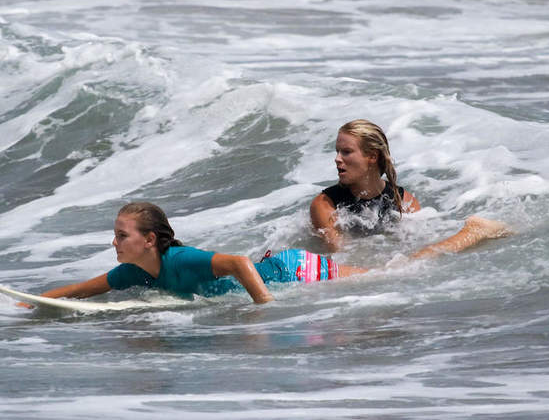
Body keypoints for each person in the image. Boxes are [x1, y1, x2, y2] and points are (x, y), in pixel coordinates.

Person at [37, 202, 366, 305]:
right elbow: (79, 291)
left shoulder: (181, 260)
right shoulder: (132, 271)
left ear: (150, 239)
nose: (114, 243)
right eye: (115, 236)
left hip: (294, 270)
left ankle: (419, 256)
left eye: (122, 236)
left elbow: (238, 263)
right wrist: (23, 303)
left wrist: (264, 309)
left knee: (382, 277)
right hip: (277, 270)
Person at [309, 119, 510, 256]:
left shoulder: (403, 200)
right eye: (337, 152)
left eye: (346, 152)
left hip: (387, 261)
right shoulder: (325, 204)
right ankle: (473, 233)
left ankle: (475, 231)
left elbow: (419, 240)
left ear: (372, 156)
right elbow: (342, 255)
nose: (337, 159)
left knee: (417, 259)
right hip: (372, 263)